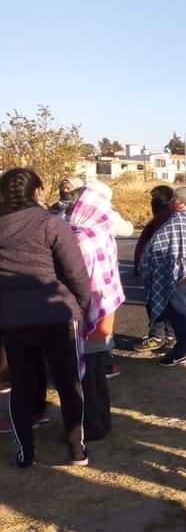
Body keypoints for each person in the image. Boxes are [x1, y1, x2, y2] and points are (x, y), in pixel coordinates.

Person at [0, 168, 92, 467]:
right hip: (55, 315)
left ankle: (25, 452)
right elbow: (74, 271)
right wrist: (81, 302)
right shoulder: (51, 224)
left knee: (21, 386)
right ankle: (77, 450)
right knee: (68, 382)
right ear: (38, 191)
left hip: (13, 320)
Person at [68, 181, 126, 440]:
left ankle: (91, 427)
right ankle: (102, 422)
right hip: (104, 309)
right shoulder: (102, 230)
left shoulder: (80, 238)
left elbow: (73, 279)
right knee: (96, 372)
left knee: (84, 375)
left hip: (87, 314)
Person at [142, 187, 186, 367]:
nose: (171, 203)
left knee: (180, 312)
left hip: (180, 271)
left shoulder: (180, 219)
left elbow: (160, 243)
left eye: (175, 200)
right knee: (185, 310)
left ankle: (183, 351)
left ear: (184, 203)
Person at [133, 185, 177, 350]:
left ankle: (157, 337)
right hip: (168, 266)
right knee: (168, 301)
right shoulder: (171, 215)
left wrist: (141, 264)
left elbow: (149, 244)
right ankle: (171, 336)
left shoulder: (163, 217)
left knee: (156, 301)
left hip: (157, 266)